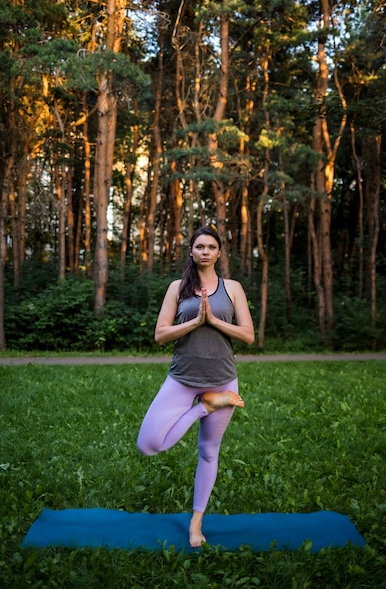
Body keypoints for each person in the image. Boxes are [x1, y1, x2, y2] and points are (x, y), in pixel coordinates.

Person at [136, 226, 255, 548]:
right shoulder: (178, 287)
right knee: (148, 444)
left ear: (219, 253)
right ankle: (206, 406)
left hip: (222, 377)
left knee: (208, 451)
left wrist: (214, 320)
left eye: (211, 246)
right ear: (191, 251)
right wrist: (195, 321)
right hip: (182, 378)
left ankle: (196, 522)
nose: (205, 251)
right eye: (199, 246)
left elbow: (248, 335)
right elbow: (160, 335)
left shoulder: (232, 288)